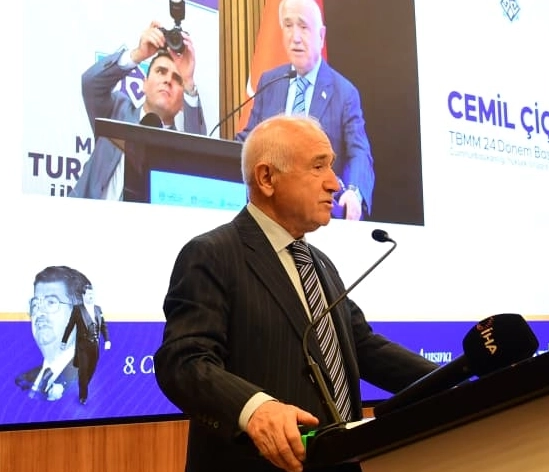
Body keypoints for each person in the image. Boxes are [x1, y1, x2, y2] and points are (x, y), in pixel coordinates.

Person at [154, 114, 437, 472]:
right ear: (267, 178)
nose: (334, 183)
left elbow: (363, 347)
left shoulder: (320, 264)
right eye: (319, 166)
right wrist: (255, 408)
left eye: (332, 166)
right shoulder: (213, 254)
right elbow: (184, 361)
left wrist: (455, 381)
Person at [235, 0, 375, 222]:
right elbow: (249, 140)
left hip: (316, 216)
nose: (295, 37)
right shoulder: (270, 82)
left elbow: (359, 152)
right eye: (288, 25)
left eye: (303, 26)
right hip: (268, 212)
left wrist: (354, 192)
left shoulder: (344, 92)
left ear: (321, 35)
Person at [71, 20, 207, 201]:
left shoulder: (182, 144)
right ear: (144, 84)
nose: (168, 80)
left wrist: (188, 81)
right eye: (161, 71)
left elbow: (200, 155)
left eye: (176, 78)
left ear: (182, 102)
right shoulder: (117, 111)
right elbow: (90, 84)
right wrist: (138, 55)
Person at [15, 266, 84, 401]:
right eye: (35, 304)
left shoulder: (88, 376)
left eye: (51, 302)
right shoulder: (22, 380)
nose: (39, 312)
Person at [61, 283, 111, 405]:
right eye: (89, 294)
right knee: (83, 370)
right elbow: (70, 326)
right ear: (83, 295)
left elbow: (103, 326)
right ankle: (83, 396)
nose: (91, 296)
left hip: (95, 345)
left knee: (91, 369)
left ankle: (83, 385)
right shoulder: (78, 309)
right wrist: (64, 341)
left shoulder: (98, 309)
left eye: (92, 294)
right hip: (82, 345)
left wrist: (107, 340)